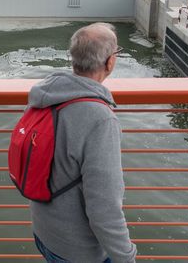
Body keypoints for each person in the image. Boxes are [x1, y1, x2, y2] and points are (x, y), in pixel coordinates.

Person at [28, 23, 138, 263]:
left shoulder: (45, 95)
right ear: (110, 62)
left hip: (45, 232)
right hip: (78, 250)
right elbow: (105, 208)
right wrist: (127, 258)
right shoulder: (100, 119)